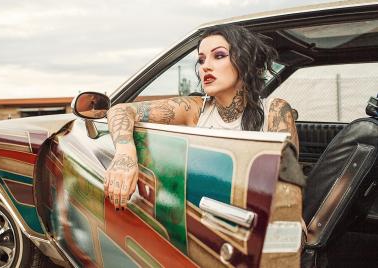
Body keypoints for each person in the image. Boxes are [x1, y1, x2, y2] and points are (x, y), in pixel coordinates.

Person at [104, 24, 299, 210]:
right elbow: (120, 110)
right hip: (203, 217)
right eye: (201, 60)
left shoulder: (275, 111)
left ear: (245, 59)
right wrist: (125, 154)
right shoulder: (195, 109)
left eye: (219, 55)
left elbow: (288, 190)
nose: (206, 66)